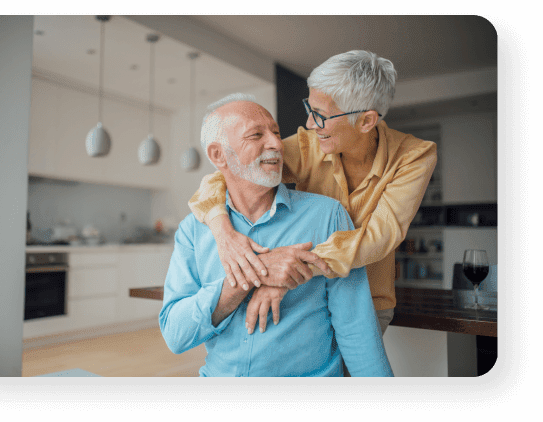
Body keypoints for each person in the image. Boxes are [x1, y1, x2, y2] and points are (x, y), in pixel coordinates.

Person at [188, 50, 437, 345]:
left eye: (321, 115)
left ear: (366, 121)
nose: (308, 124)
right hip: (305, 296)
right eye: (310, 107)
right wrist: (224, 233)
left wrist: (285, 273)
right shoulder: (310, 144)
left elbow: (379, 237)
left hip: (366, 300)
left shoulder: (414, 156)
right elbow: (227, 173)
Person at [159, 94, 393, 377]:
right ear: (219, 155)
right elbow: (175, 335)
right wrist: (245, 280)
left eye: (276, 132)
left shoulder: (327, 216)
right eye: (256, 135)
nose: (275, 144)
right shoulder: (193, 230)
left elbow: (356, 329)